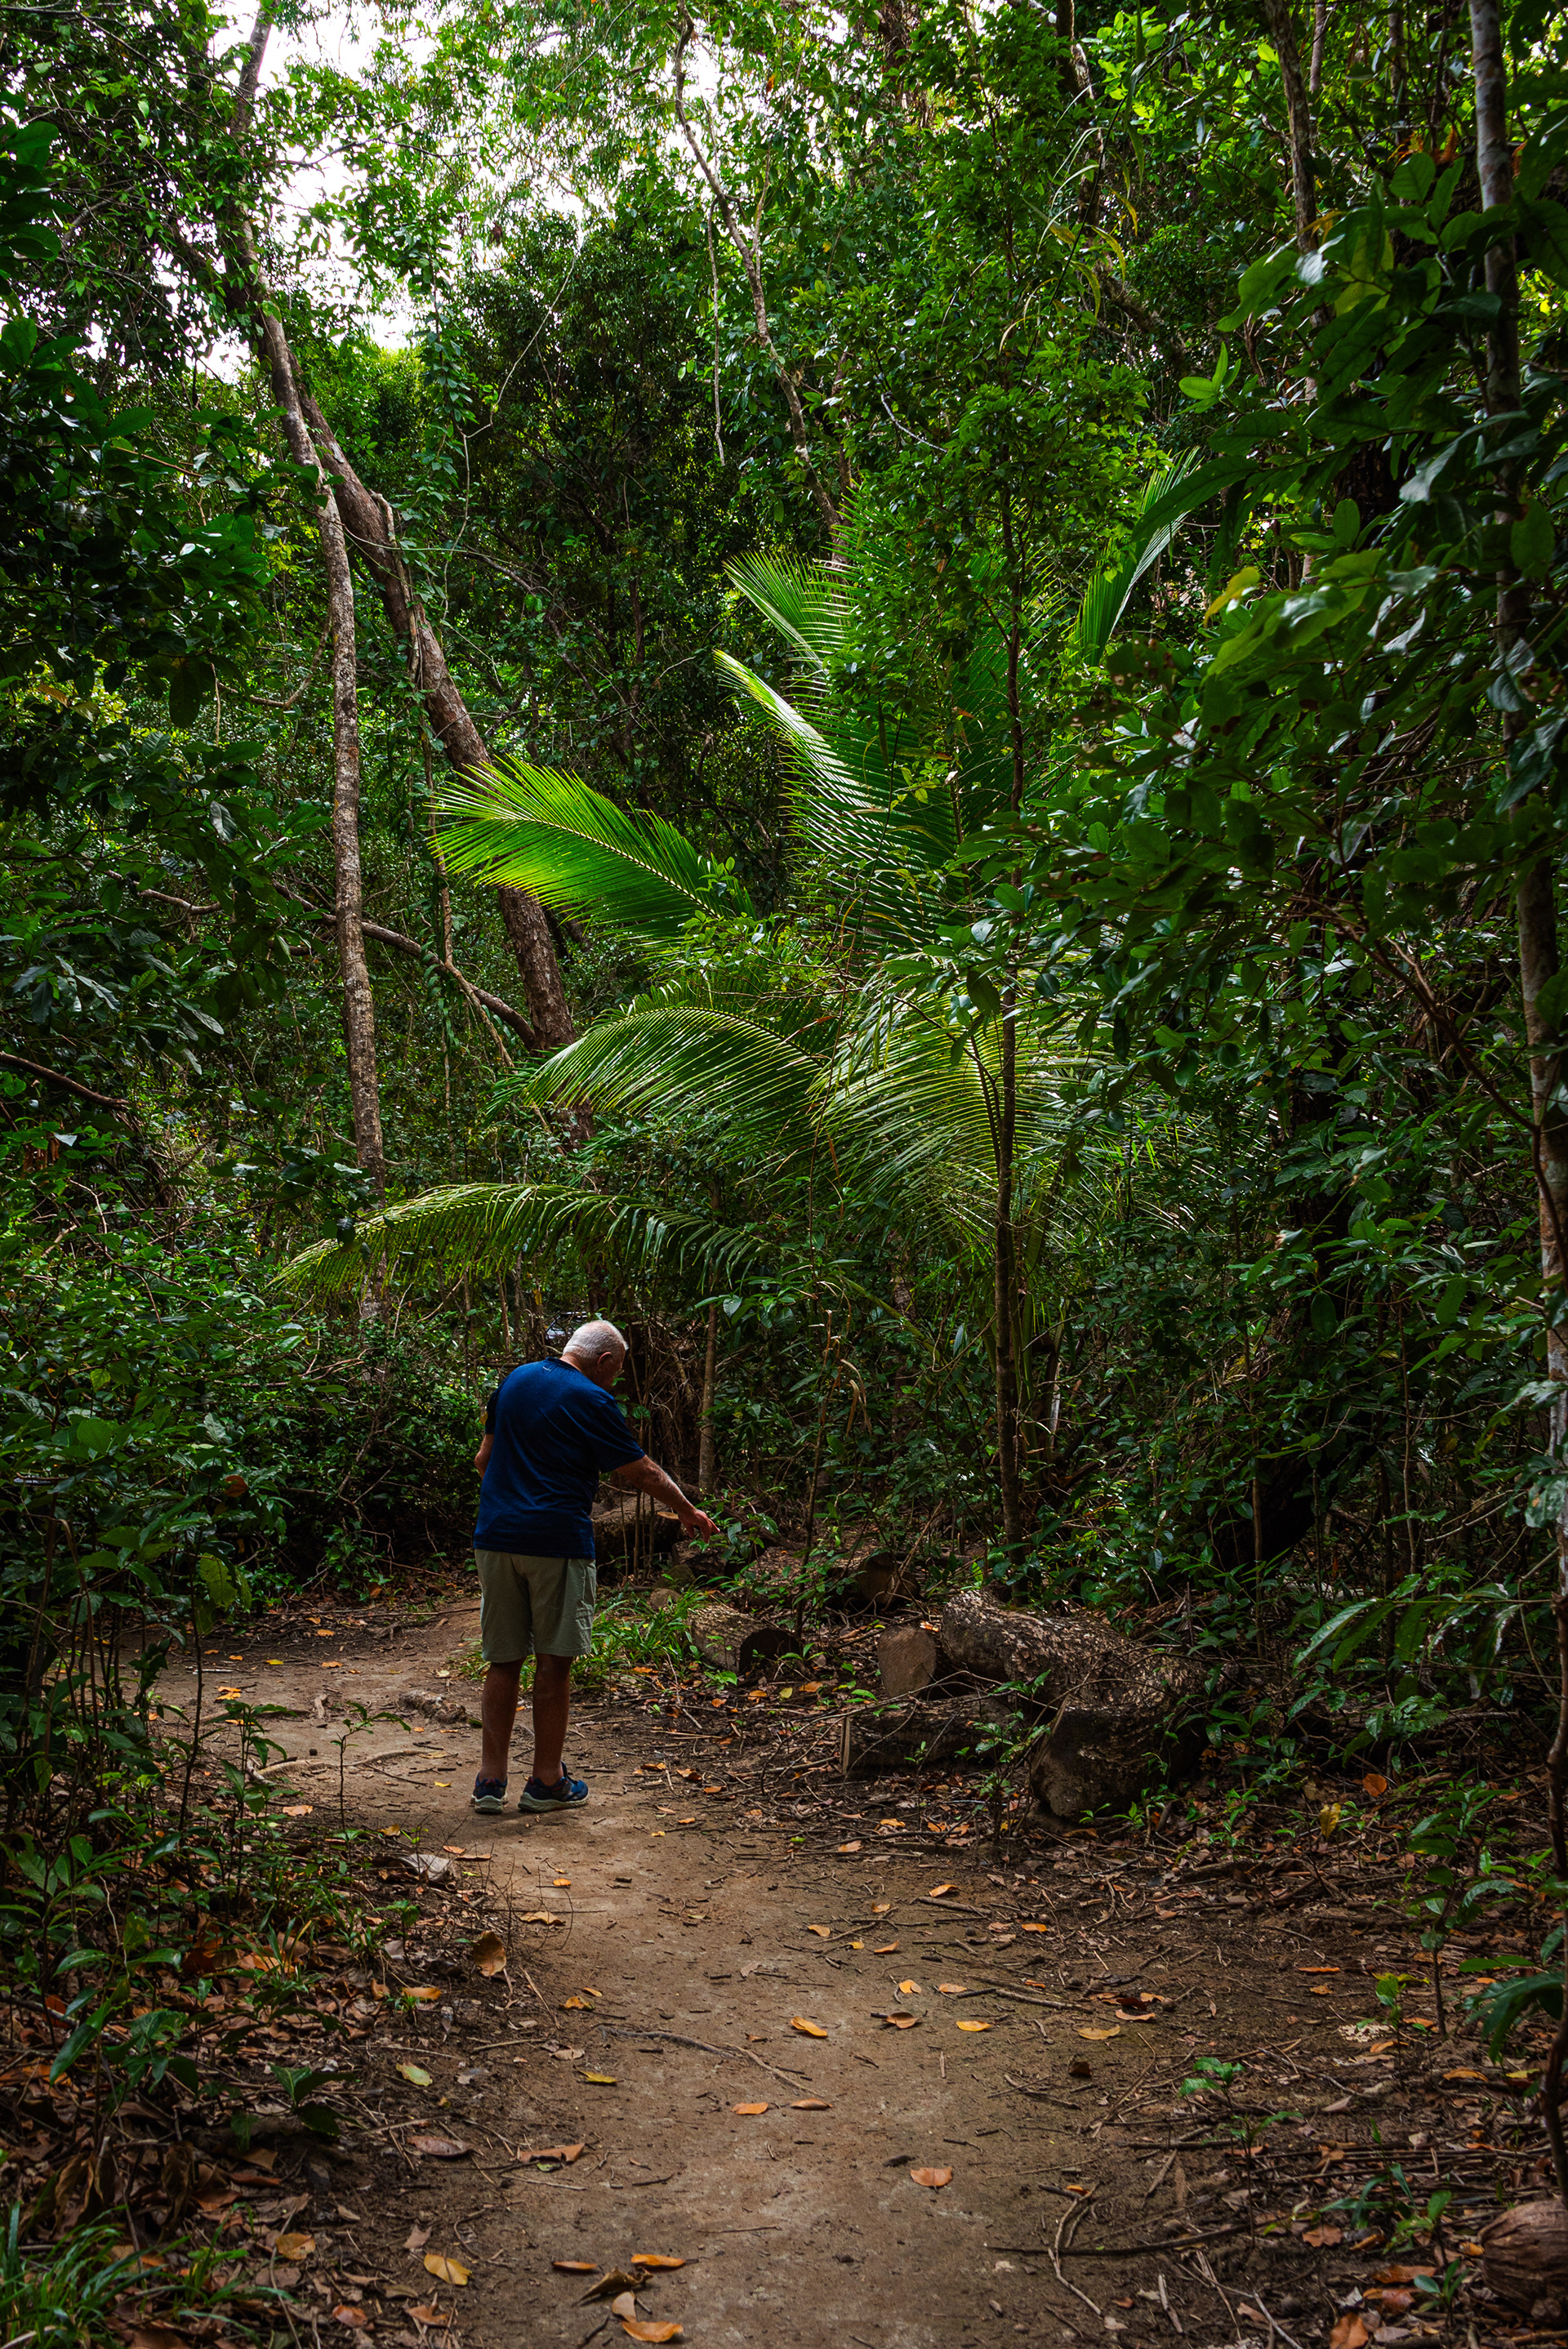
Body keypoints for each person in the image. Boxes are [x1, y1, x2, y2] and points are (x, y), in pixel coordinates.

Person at [469, 1317, 718, 1815]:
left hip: (495, 1538)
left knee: (503, 1659)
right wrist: (687, 1511)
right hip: (556, 1542)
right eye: (617, 1371)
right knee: (554, 1663)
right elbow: (640, 1469)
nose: (615, 1380)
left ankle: (490, 1782)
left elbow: (483, 1459)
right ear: (603, 1361)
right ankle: (546, 1783)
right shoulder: (591, 1398)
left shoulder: (515, 1380)